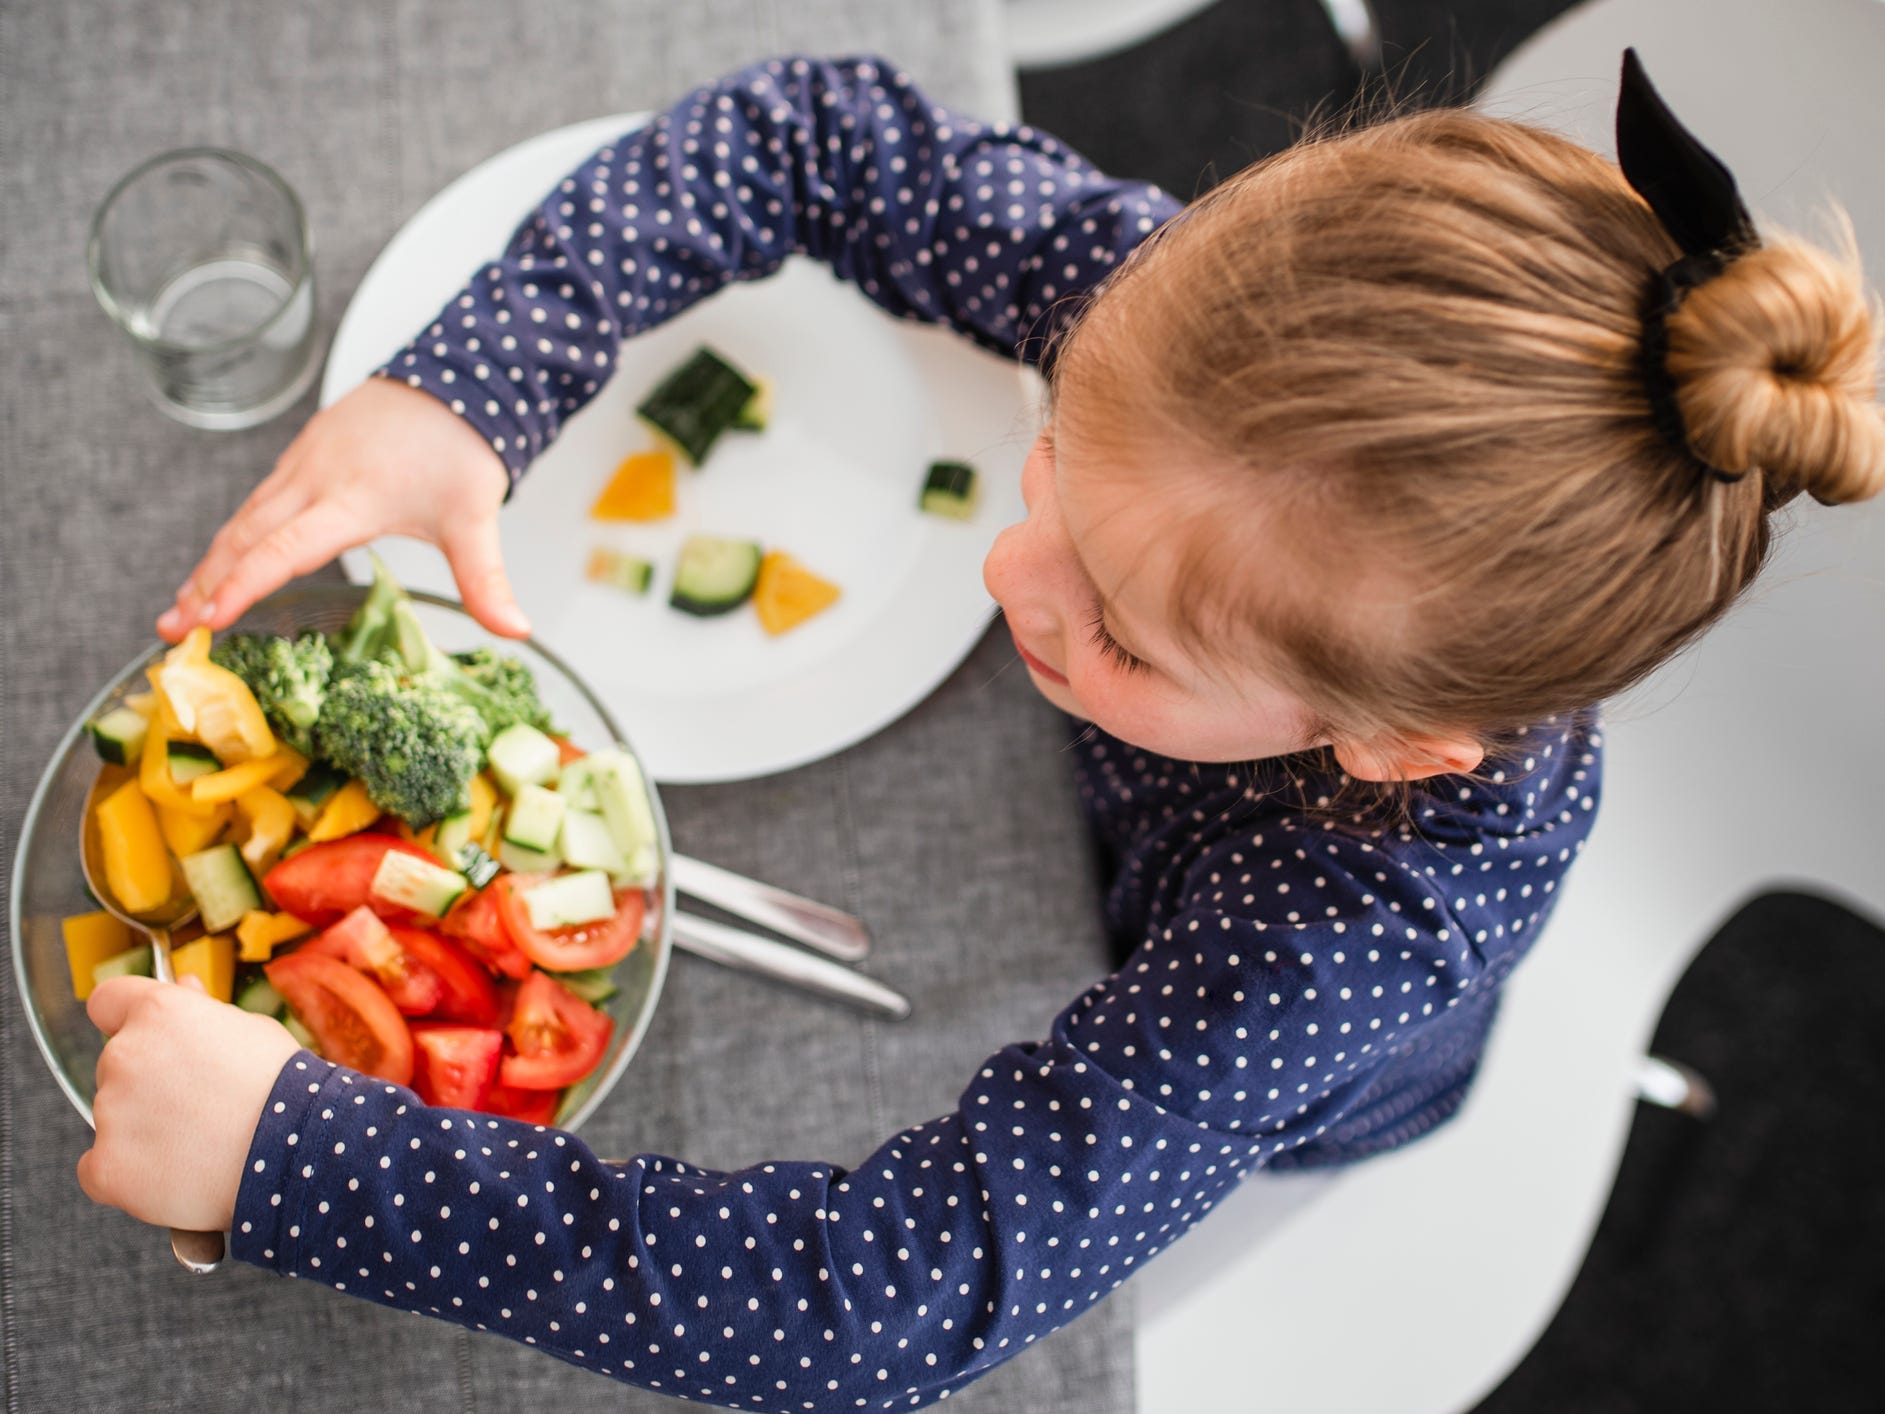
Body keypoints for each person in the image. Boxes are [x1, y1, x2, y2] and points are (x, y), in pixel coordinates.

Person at [82, 52, 1882, 1410]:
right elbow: (810, 135)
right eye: (1052, 470)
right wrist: (471, 389)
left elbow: (873, 1297)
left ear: (1400, 748)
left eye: (1115, 623)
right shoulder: (1182, 340)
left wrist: (306, 1162)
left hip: (1294, 1077)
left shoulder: (1364, 920)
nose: (1015, 574)